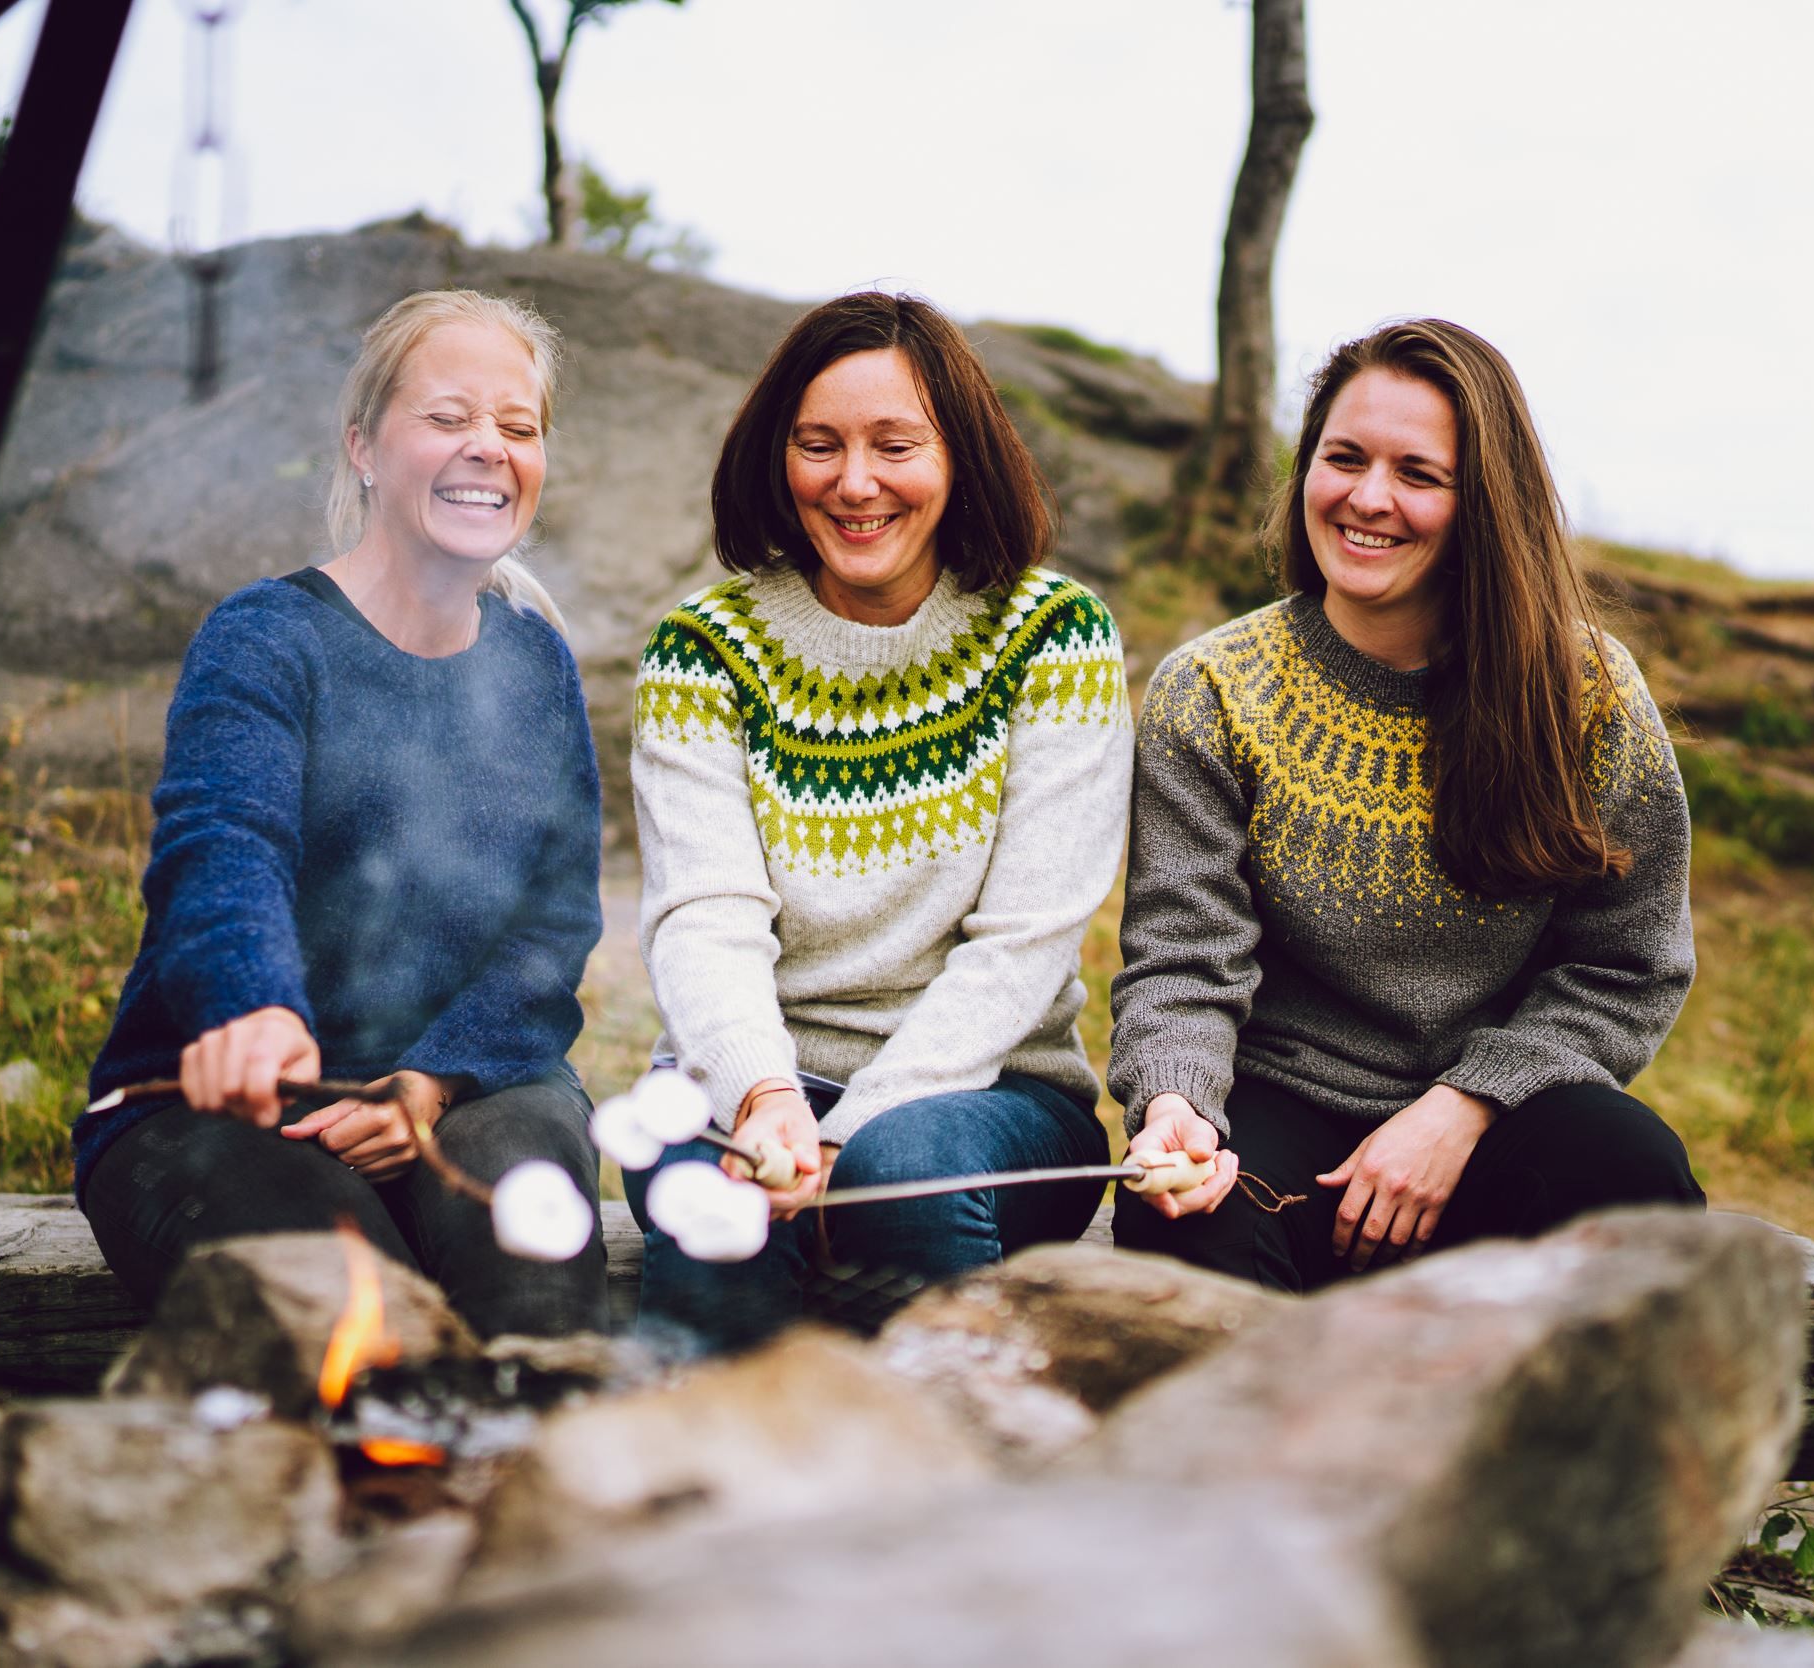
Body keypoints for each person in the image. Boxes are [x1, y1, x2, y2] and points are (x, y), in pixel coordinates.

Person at [1107, 318, 1703, 1292]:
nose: (1367, 498)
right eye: (1343, 459)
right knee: (1180, 1225)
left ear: (1481, 502)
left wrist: (1466, 1104)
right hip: (1279, 1113)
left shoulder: (1581, 690)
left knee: (1627, 1171)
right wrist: (1177, 1106)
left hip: (1500, 1120)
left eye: (1417, 474)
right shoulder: (1211, 690)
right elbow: (1183, 960)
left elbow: (1626, 965)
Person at [74, 289, 608, 1337]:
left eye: (517, 427)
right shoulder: (269, 637)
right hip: (233, 1104)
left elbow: (553, 925)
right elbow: (222, 843)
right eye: (447, 418)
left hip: (474, 1086)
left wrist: (430, 1084)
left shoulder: (534, 664)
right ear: (364, 447)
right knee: (359, 1322)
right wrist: (253, 1006)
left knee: (533, 1285)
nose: (487, 449)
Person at [626, 291, 1132, 1347]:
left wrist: (844, 1139)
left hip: (991, 1099)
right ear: (779, 457)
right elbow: (703, 915)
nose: (854, 483)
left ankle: (940, 1484)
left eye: (894, 444)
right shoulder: (703, 651)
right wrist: (763, 1098)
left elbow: (1026, 942)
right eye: (819, 445)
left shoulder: (1052, 638)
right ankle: (712, 1483)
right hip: (745, 1086)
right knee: (712, 1218)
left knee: (901, 1172)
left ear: (958, 459)